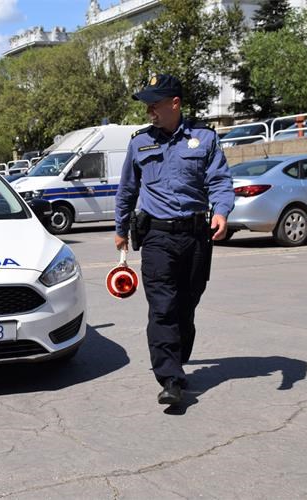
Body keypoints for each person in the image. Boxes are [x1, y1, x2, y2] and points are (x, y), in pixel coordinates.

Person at [114, 74, 234, 406]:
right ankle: (170, 378)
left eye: (155, 105)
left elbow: (220, 181)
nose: (150, 111)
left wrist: (222, 211)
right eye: (148, 106)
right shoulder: (140, 143)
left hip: (196, 237)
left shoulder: (204, 139)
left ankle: (177, 358)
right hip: (156, 238)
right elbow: (127, 191)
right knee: (162, 309)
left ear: (175, 104)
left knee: (185, 306)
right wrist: (120, 230)